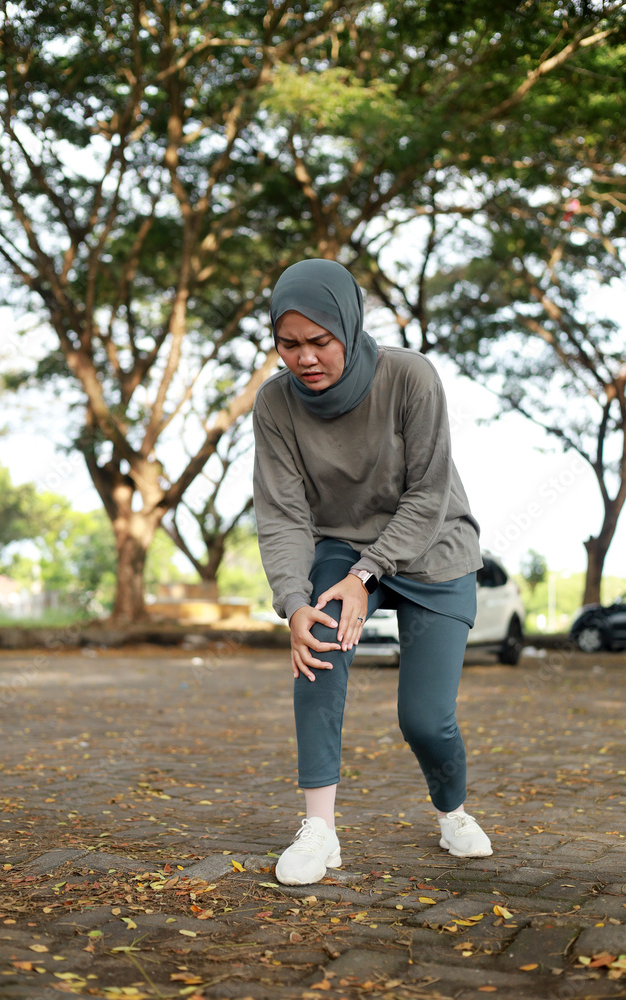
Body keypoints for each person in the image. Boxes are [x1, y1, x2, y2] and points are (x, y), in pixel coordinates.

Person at [252, 258, 492, 887]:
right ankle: (319, 830)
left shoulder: (410, 376)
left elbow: (428, 492)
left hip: (433, 548)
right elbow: (281, 513)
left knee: (424, 718)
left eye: (320, 341)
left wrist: (367, 575)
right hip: (342, 544)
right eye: (289, 344)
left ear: (351, 329)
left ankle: (452, 810)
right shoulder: (275, 403)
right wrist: (294, 601)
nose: (305, 358)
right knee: (319, 646)